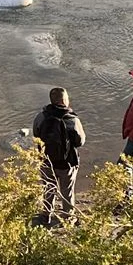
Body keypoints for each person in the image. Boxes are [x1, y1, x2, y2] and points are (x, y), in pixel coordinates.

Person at [32, 87, 86, 224]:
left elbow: (36, 135)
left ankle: (46, 215)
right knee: (67, 190)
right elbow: (80, 142)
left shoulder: (41, 117)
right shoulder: (73, 120)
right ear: (64, 100)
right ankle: (68, 218)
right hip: (67, 163)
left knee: (48, 188)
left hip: (46, 161)